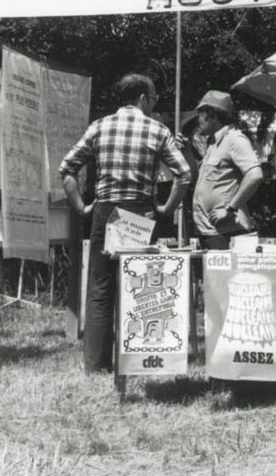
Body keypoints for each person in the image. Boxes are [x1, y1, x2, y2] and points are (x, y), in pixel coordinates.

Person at [60, 74, 192, 374]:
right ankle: (140, 359)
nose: (155, 101)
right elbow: (183, 174)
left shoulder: (99, 127)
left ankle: (96, 365)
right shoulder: (156, 129)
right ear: (143, 98)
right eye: (155, 96)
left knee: (100, 287)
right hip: (139, 213)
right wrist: (165, 208)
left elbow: (66, 168)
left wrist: (82, 207)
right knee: (142, 288)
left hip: (106, 212)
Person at [191, 90, 264, 250]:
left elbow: (255, 175)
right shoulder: (213, 143)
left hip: (228, 231)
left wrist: (230, 208)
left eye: (200, 113)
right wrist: (185, 153)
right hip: (210, 231)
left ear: (213, 115)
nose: (198, 119)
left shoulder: (235, 139)